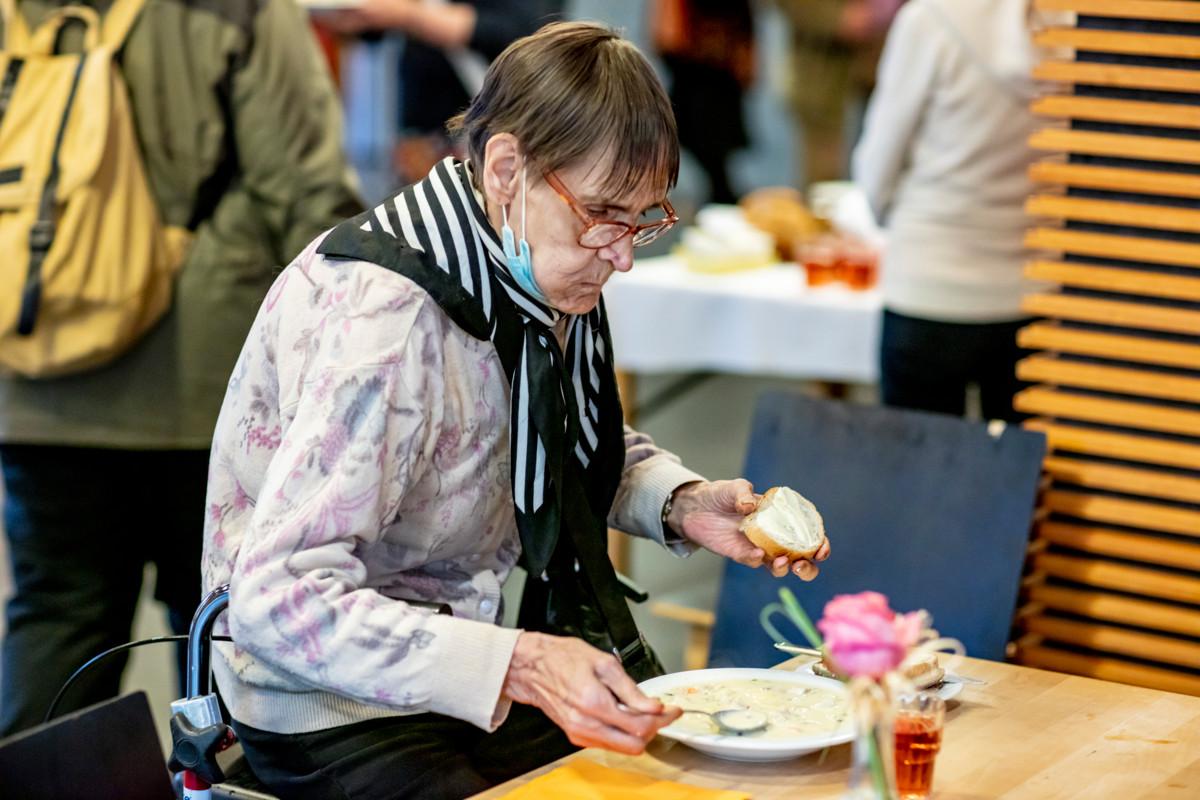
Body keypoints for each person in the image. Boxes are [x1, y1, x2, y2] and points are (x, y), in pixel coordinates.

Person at [202, 22, 830, 800]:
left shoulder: (524, 258)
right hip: (330, 702)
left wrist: (684, 504)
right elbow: (278, 600)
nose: (625, 254)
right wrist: (522, 661)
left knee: (685, 778)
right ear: (506, 168)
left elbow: (547, 440)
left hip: (466, 660)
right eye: (604, 213)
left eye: (645, 218)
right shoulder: (388, 322)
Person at [0, 0, 361, 736]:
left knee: (57, 617)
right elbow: (303, 188)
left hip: (38, 366)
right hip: (209, 385)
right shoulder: (239, 9)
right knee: (222, 634)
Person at [852, 0, 1043, 421]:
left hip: (929, 281)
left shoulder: (929, 19)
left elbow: (879, 162)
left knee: (920, 472)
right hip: (1030, 289)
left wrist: (890, 219)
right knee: (1022, 475)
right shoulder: (1063, 25)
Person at [320, 0, 563, 183]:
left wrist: (408, 15)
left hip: (490, 126)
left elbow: (526, 30)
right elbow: (372, 30)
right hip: (423, 131)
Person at [776, 0, 902, 184]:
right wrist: (836, 18)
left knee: (888, 164)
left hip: (885, 61)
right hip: (822, 67)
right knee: (824, 181)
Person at [652, 0, 755, 205]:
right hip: (696, 73)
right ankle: (723, 200)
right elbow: (668, 37)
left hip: (720, 73)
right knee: (705, 146)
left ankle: (722, 201)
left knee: (714, 152)